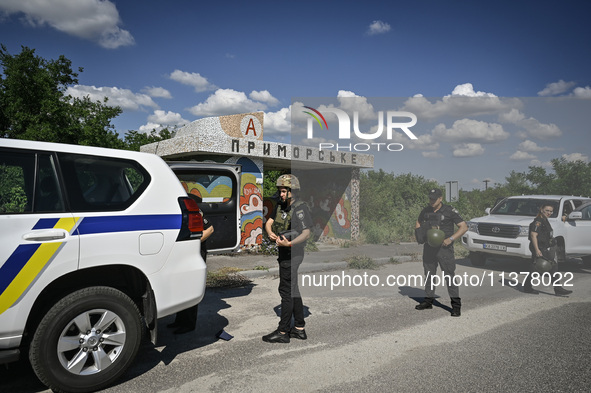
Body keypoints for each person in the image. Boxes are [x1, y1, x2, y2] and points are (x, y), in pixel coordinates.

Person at [262, 174, 312, 343]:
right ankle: (299, 328)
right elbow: (268, 222)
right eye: (280, 191)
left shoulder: (300, 208)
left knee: (286, 292)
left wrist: (289, 244)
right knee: (293, 289)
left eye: (284, 191)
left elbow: (306, 233)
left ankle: (283, 332)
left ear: (293, 191)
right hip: (284, 253)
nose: (281, 194)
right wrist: (270, 233)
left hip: (293, 254)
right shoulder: (281, 205)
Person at [414, 188, 468, 317]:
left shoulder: (449, 210)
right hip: (429, 248)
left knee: (449, 276)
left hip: (444, 249)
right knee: (429, 276)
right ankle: (428, 301)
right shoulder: (426, 210)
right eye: (430, 198)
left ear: (440, 199)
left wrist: (451, 239)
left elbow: (464, 226)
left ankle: (456, 305)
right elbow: (418, 222)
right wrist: (420, 235)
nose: (431, 200)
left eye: (434, 198)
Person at [168, 195, 214, 334]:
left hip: (195, 252)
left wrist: (194, 242)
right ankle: (179, 320)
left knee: (190, 286)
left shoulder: (194, 210)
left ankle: (188, 323)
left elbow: (210, 229)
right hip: (182, 253)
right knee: (180, 287)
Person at [523, 203, 573, 296]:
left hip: (544, 247)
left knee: (536, 267)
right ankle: (557, 289)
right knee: (551, 266)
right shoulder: (538, 221)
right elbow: (533, 235)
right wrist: (537, 250)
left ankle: (527, 287)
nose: (549, 213)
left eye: (551, 211)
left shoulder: (544, 220)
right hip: (540, 247)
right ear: (542, 210)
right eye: (547, 211)